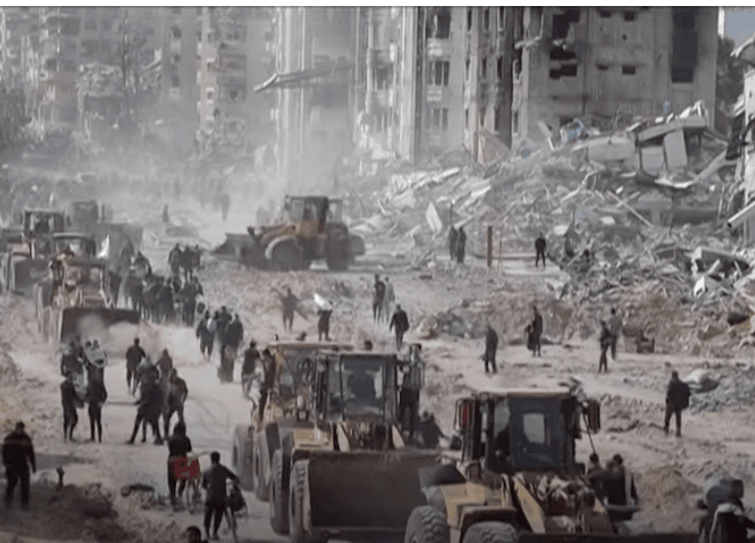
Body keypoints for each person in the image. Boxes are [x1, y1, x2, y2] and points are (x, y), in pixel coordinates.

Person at [202, 451, 239, 542]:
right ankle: (215, 533)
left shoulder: (206, 470)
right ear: (219, 459)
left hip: (209, 498)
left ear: (211, 459)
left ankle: (207, 533)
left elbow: (203, 485)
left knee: (208, 515)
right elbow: (234, 477)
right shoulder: (224, 469)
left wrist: (210, 487)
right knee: (218, 516)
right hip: (221, 498)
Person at [2, 422, 36, 510]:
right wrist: (5, 462)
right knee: (11, 484)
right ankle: (7, 503)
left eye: (21, 428)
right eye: (18, 428)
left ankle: (24, 504)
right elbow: (4, 452)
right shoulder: (10, 438)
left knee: (24, 485)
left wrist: (33, 465)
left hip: (22, 464)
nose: (19, 430)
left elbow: (31, 453)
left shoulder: (26, 438)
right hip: (11, 465)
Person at [128, 378, 163, 445]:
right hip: (149, 409)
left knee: (139, 422)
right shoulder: (153, 386)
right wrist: (138, 402)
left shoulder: (150, 388)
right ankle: (159, 438)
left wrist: (141, 402)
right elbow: (144, 398)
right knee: (154, 423)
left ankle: (132, 438)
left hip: (147, 409)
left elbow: (147, 399)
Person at [167, 422, 193, 506]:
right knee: (183, 477)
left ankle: (172, 496)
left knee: (171, 479)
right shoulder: (186, 438)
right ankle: (180, 493)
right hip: (182, 459)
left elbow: (170, 448)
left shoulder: (171, 438)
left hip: (172, 459)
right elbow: (189, 449)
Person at [664, 370, 690, 437]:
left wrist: (667, 401)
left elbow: (668, 392)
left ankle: (666, 430)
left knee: (667, 417)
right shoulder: (682, 383)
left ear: (672, 376)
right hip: (679, 404)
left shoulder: (671, 382)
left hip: (672, 403)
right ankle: (678, 432)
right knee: (678, 419)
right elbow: (688, 392)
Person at [87, 377, 107, 443]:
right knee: (93, 422)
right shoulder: (90, 384)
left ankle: (99, 438)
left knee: (97, 422)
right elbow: (87, 394)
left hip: (96, 405)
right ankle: (94, 437)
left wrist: (101, 401)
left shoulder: (98, 383)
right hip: (92, 404)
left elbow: (105, 394)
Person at [61, 374, 80, 442]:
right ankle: (69, 436)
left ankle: (66, 436)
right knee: (74, 420)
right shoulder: (69, 386)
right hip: (70, 405)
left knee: (66, 420)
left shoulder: (63, 385)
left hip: (65, 404)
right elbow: (74, 395)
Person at [258, 349, 276, 421]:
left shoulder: (271, 362)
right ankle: (261, 416)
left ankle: (265, 417)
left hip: (269, 384)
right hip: (264, 384)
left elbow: (271, 374)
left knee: (268, 401)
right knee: (262, 400)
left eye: (264, 356)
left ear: (267, 355)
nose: (264, 357)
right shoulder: (264, 362)